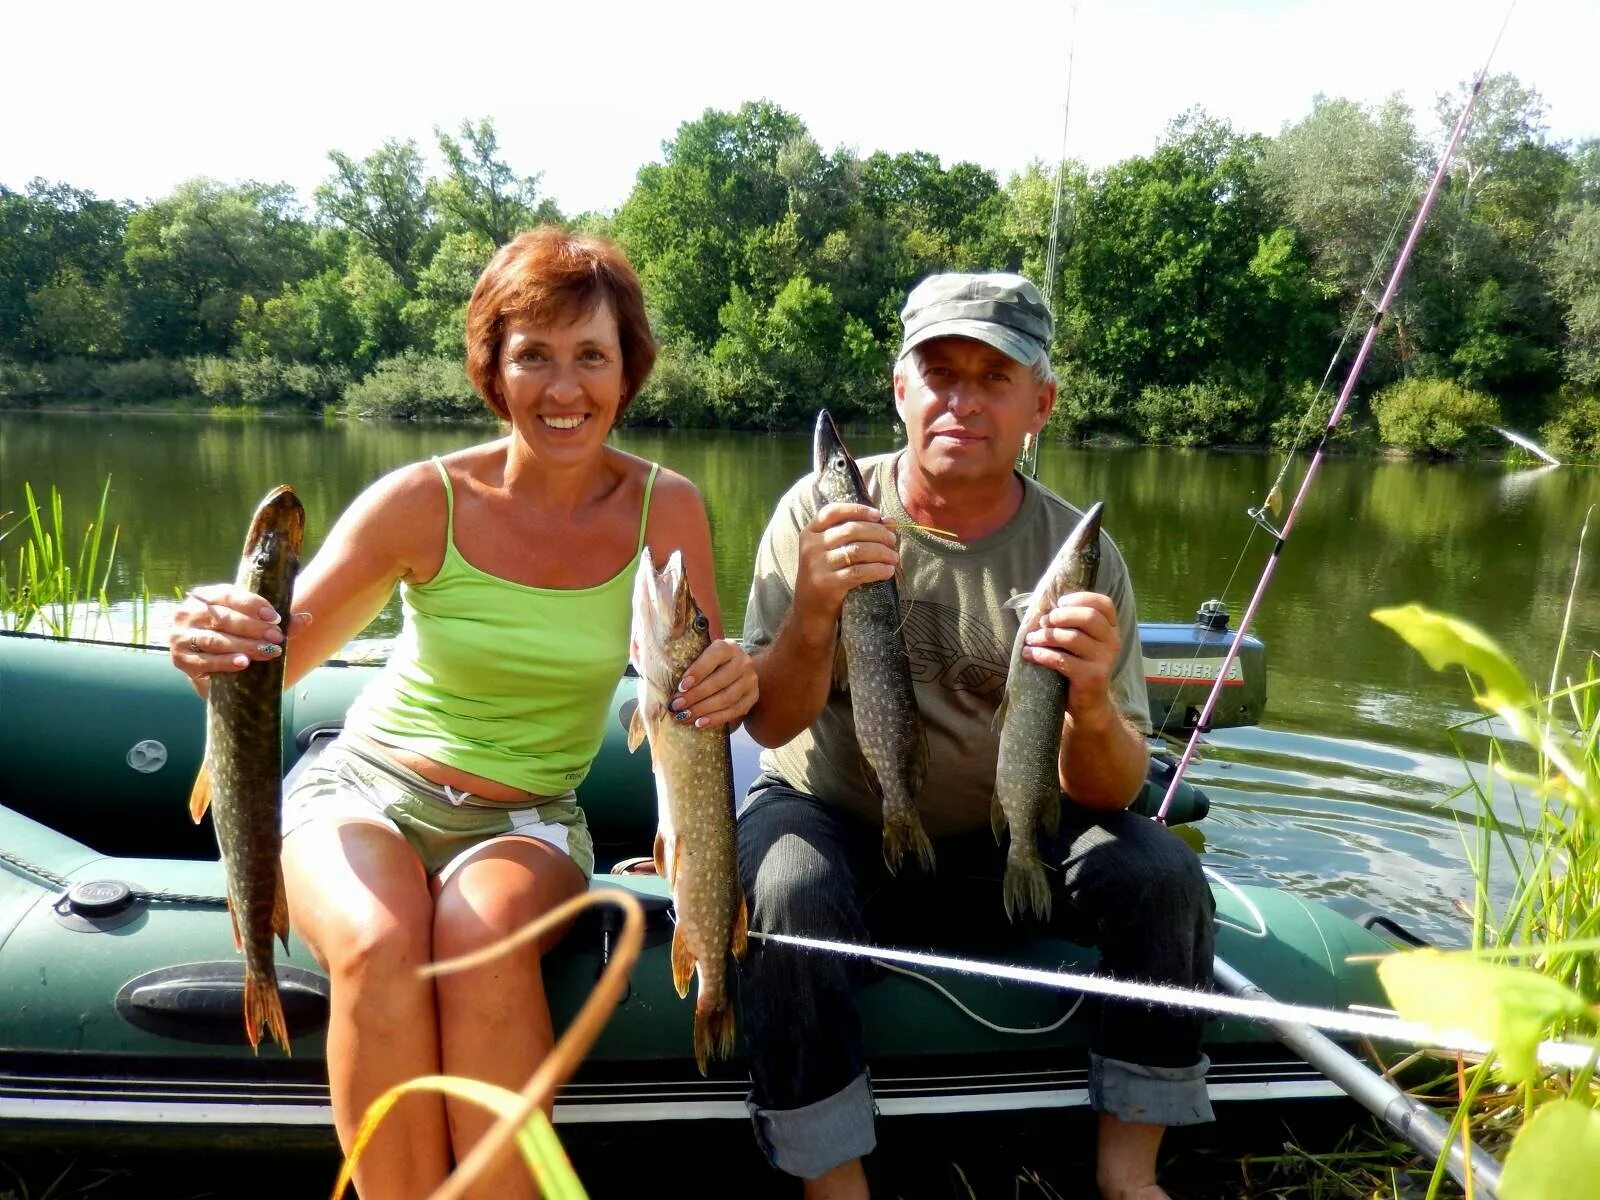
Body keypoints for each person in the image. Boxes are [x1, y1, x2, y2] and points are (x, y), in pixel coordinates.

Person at [168, 227, 757, 1200]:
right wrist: (211, 642)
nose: (563, 389)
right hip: (361, 788)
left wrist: (718, 723)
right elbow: (265, 666)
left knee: (478, 945)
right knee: (376, 941)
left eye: (590, 357)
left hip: (524, 818)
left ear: (629, 369)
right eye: (533, 355)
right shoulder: (422, 500)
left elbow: (688, 712)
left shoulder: (669, 508)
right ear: (493, 366)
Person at [737, 272, 1214, 1200]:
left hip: (1012, 838)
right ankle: (833, 1184)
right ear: (900, 388)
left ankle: (1129, 1177)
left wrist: (1089, 702)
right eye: (940, 373)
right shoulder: (821, 512)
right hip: (832, 810)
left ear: (1041, 402)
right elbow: (769, 720)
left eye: (993, 378)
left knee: (1162, 876)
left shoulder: (1082, 554)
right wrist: (811, 615)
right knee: (786, 890)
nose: (961, 400)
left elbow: (1111, 791)